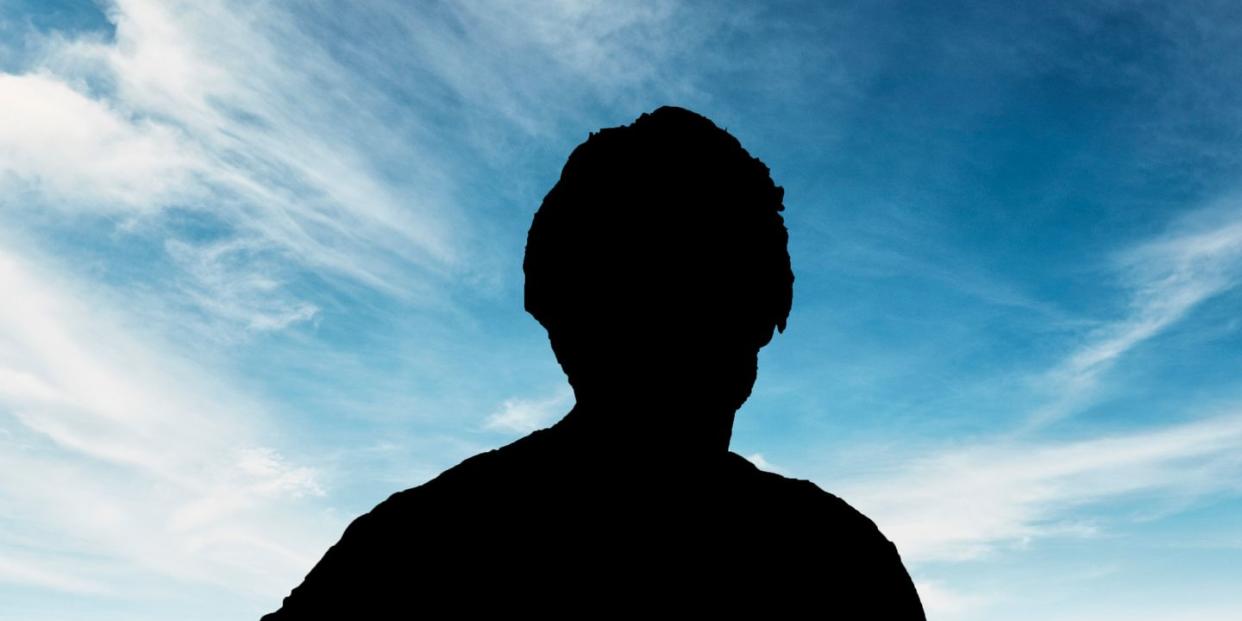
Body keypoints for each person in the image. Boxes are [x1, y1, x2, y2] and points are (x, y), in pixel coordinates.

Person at [263, 106, 925, 618]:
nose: (675, 331)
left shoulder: (413, 550)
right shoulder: (834, 560)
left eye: (708, 290)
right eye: (642, 295)